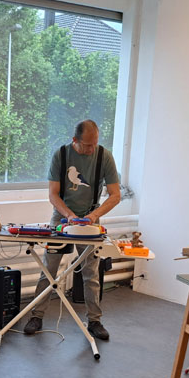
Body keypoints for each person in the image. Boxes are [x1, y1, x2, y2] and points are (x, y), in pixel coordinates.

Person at [23, 119, 121, 340]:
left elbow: (115, 195)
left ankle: (94, 320)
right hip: (62, 216)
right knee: (49, 267)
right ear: (74, 140)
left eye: (94, 144)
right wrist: (69, 215)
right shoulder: (61, 155)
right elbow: (53, 194)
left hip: (90, 219)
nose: (91, 149)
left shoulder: (104, 156)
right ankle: (37, 316)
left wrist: (93, 216)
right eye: (87, 145)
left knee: (91, 272)